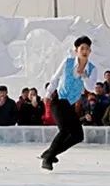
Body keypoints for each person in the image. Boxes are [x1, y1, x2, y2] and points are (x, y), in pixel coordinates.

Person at [40, 36, 97, 170]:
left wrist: (83, 75)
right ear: (76, 50)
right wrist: (48, 94)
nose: (84, 51)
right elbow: (55, 78)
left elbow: (90, 87)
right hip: (59, 101)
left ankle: (50, 153)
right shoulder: (67, 62)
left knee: (78, 135)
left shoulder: (92, 69)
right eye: (82, 48)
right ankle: (48, 158)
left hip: (69, 105)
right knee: (65, 130)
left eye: (87, 49)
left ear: (90, 51)